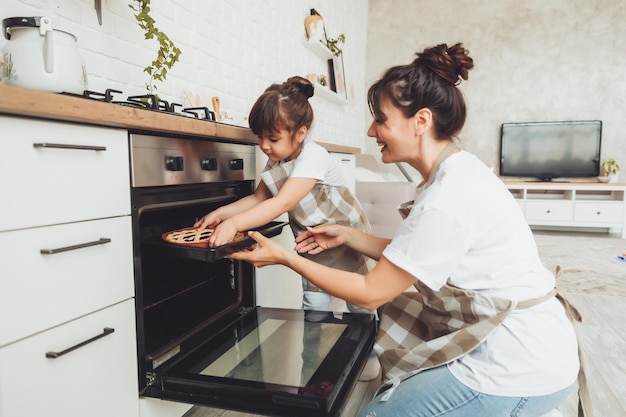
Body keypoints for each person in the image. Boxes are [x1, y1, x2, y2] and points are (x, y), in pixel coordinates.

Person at [228, 43, 587, 417]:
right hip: (528, 347)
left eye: (380, 120)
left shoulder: (447, 198)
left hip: (514, 365)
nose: (371, 131)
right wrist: (350, 235)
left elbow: (369, 294)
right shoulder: (455, 174)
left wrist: (285, 257)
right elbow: (415, 250)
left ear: (421, 121)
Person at [194, 75, 374, 316]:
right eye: (260, 138)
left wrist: (234, 224)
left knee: (358, 302)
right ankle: (314, 352)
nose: (265, 146)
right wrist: (220, 213)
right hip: (312, 243)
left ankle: (362, 345)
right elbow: (259, 199)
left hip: (345, 239)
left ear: (300, 133)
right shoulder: (278, 157)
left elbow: (282, 202)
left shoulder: (313, 156)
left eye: (273, 138)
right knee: (314, 304)